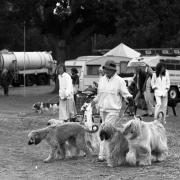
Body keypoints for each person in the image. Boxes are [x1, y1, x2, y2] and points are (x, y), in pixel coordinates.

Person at [91, 60, 132, 161]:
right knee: (105, 132)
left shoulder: (120, 81)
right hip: (103, 109)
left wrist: (129, 98)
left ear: (114, 70)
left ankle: (103, 155)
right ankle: (110, 153)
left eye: (109, 69)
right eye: (106, 69)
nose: (107, 71)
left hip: (113, 110)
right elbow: (100, 95)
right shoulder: (102, 80)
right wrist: (94, 101)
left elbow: (125, 93)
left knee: (105, 132)